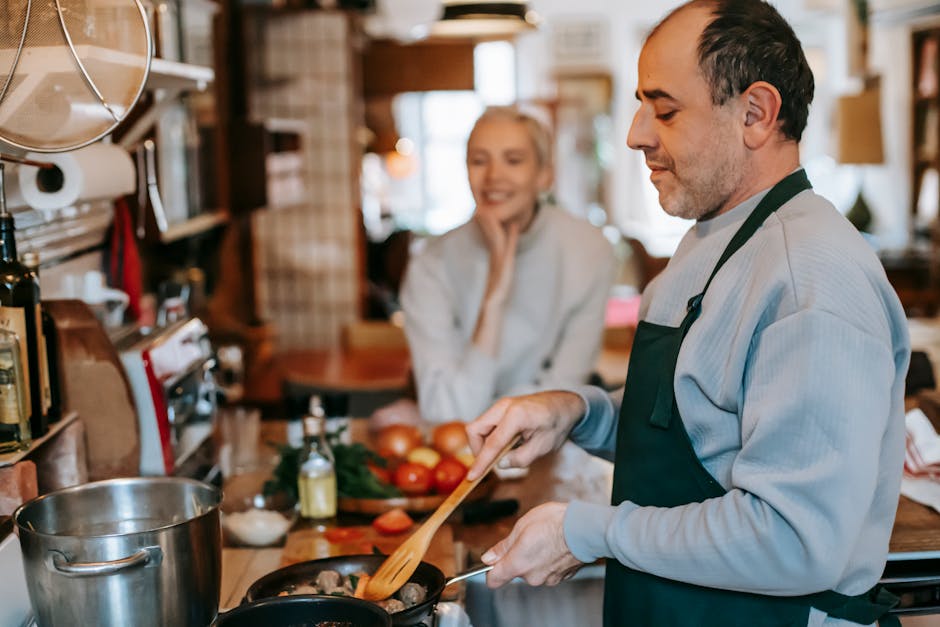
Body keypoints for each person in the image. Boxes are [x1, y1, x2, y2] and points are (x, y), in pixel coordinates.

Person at [465, 2, 911, 626]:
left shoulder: (812, 277)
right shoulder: (711, 239)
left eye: (665, 109)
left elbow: (794, 539)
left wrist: (588, 532)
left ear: (755, 114)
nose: (635, 134)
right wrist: (577, 412)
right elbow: (694, 429)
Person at [396, 106, 616, 423]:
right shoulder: (431, 264)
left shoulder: (589, 251)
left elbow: (562, 395)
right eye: (479, 160)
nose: (494, 176)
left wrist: (472, 408)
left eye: (513, 160)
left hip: (550, 443)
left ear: (545, 175)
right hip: (460, 451)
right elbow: (447, 414)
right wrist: (495, 297)